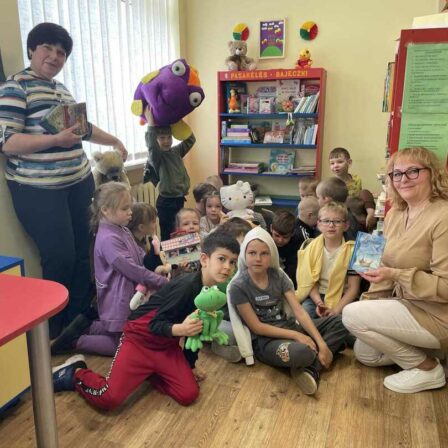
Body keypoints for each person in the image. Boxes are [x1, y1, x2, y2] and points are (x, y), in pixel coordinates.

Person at [0, 23, 128, 338]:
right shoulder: (16, 88)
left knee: (85, 251)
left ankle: (79, 320)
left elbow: (83, 129)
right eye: (48, 48)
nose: (55, 56)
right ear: (32, 49)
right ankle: (55, 331)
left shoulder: (60, 89)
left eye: (61, 52)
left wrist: (114, 140)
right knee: (60, 257)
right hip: (39, 191)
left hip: (78, 183)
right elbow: (7, 142)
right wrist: (55, 140)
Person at [51, 232, 240, 409]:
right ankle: (75, 372)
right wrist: (181, 330)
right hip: (139, 341)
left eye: (232, 262)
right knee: (109, 398)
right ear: (204, 259)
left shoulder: (213, 294)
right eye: (221, 259)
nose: (227, 267)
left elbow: (196, 334)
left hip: (166, 347)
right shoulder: (186, 287)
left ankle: (150, 372)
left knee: (188, 394)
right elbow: (154, 324)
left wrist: (190, 364)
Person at [342, 147, 448, 394]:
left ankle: (428, 368)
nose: (403, 179)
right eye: (396, 174)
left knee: (351, 315)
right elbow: (383, 266)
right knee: (366, 353)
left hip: (437, 314)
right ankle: (433, 355)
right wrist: (369, 302)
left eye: (413, 171)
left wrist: (395, 275)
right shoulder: (396, 214)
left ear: (432, 174)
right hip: (406, 304)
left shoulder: (443, 216)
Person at [227, 226, 349, 395]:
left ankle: (312, 367)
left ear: (272, 255)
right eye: (252, 253)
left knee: (341, 321)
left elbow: (299, 311)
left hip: (290, 326)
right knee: (303, 352)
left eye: (264, 253)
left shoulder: (278, 275)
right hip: (266, 342)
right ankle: (326, 351)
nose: (258, 259)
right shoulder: (238, 286)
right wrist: (298, 336)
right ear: (244, 255)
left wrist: (321, 343)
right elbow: (257, 327)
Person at [51, 183, 168, 356]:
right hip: (118, 299)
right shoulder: (108, 239)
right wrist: (161, 282)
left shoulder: (122, 230)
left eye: (129, 207)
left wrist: (156, 269)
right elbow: (133, 270)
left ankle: (87, 327)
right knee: (121, 346)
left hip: (127, 295)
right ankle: (75, 341)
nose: (130, 212)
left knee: (127, 334)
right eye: (124, 208)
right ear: (105, 210)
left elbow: (139, 257)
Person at [297, 202, 361, 319]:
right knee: (305, 316)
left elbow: (353, 288)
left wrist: (335, 311)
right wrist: (319, 303)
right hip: (316, 297)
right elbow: (309, 282)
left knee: (343, 320)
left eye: (337, 221)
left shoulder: (353, 250)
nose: (331, 225)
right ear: (318, 224)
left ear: (346, 225)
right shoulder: (310, 248)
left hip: (343, 296)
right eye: (326, 221)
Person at [143, 108, 196, 241]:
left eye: (169, 137)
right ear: (156, 139)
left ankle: (179, 254)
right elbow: (152, 146)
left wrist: (177, 121)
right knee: (168, 235)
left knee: (179, 232)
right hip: (166, 202)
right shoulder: (157, 156)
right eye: (162, 138)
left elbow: (191, 139)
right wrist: (151, 124)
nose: (166, 141)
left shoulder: (176, 151)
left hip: (179, 199)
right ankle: (166, 254)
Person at [329, 147, 376, 230]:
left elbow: (360, 197)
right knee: (349, 201)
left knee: (365, 192)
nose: (335, 166)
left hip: (358, 207)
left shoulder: (356, 179)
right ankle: (364, 222)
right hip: (345, 211)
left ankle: (371, 214)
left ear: (349, 163)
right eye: (332, 163)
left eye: (340, 162)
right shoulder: (331, 184)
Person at [127, 202, 170, 276]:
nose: (155, 224)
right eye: (153, 222)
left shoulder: (141, 239)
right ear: (141, 227)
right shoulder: (135, 246)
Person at [270, 209, 301, 288]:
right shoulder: (265, 239)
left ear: (292, 234)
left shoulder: (296, 246)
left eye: (285, 237)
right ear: (271, 228)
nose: (280, 240)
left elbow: (292, 272)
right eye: (276, 235)